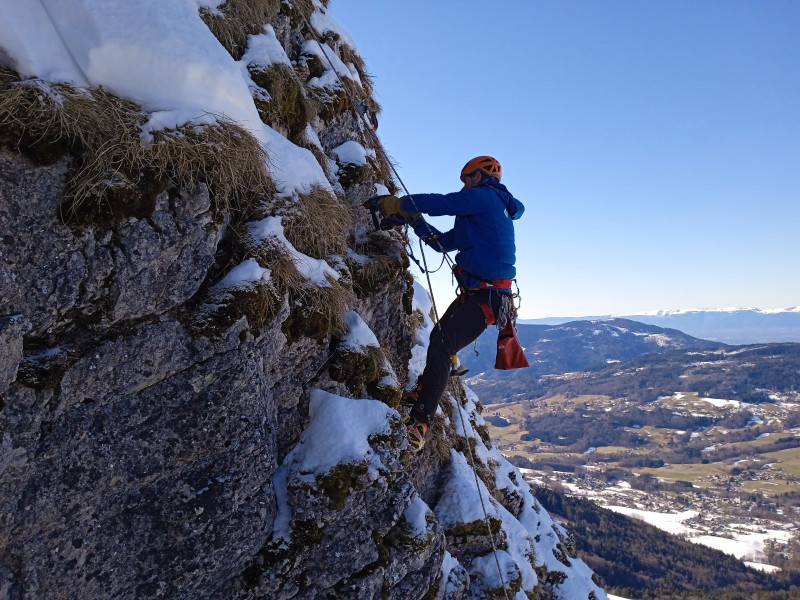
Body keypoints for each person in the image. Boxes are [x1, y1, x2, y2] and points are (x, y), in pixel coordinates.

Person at [376, 156, 525, 450]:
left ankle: (419, 423)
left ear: (479, 177)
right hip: (482, 295)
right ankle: (423, 389)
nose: (463, 185)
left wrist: (398, 205)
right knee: (438, 338)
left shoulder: (487, 197)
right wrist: (415, 221)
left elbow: (444, 203)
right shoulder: (479, 216)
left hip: (487, 296)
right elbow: (442, 243)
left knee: (443, 345)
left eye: (466, 179)